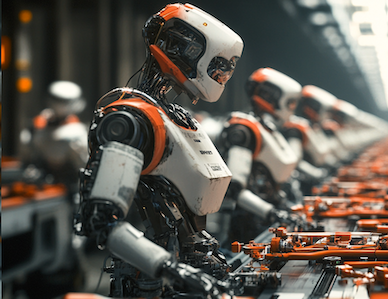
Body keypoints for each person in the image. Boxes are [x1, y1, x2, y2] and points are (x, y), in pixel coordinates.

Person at [73, 3, 243, 297]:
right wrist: (172, 270)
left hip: (182, 272)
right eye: (217, 66)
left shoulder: (173, 116)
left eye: (225, 70)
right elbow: (103, 222)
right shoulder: (132, 120)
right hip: (150, 280)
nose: (220, 77)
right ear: (188, 52)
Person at [215, 67, 304, 244]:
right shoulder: (244, 130)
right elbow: (235, 189)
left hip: (268, 219)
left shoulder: (265, 128)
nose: (292, 109)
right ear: (272, 96)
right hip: (246, 222)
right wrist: (271, 212)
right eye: (290, 102)